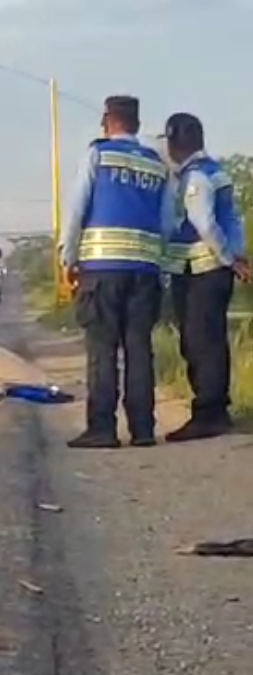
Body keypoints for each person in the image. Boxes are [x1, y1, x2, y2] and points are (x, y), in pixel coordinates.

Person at [58, 95, 179, 449]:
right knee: (139, 349)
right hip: (145, 270)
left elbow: (76, 210)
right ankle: (143, 430)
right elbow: (168, 222)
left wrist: (68, 258)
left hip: (101, 270)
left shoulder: (98, 154)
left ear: (107, 121)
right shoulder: (157, 164)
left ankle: (102, 429)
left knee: (102, 350)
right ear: (137, 124)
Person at [161, 112, 250, 440]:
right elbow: (233, 222)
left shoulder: (195, 177)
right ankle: (214, 410)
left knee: (200, 343)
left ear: (175, 143)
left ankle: (209, 414)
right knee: (210, 340)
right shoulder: (216, 171)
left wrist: (228, 259)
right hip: (212, 272)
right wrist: (236, 256)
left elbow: (205, 225)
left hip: (202, 271)